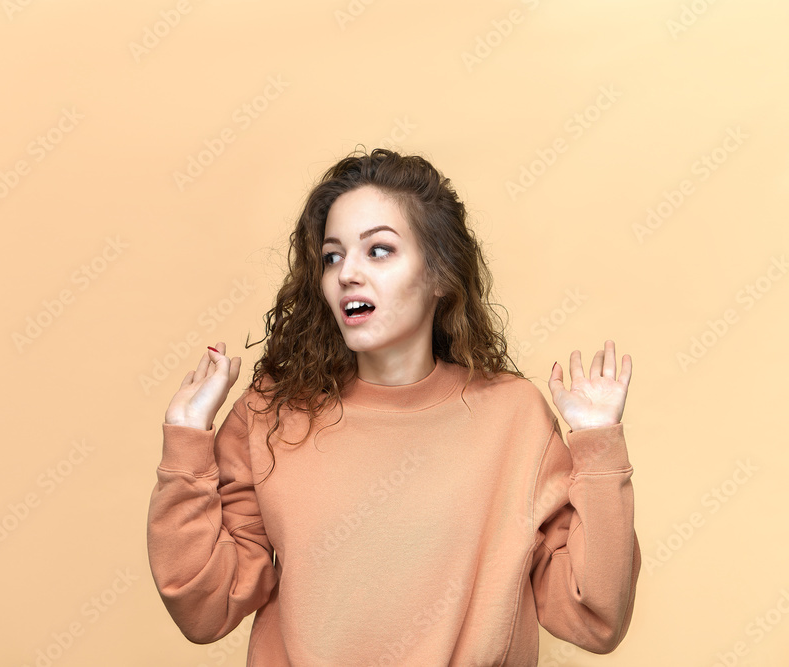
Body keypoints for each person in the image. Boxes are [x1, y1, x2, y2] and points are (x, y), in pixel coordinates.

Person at [147, 147, 640, 666]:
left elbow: (593, 616)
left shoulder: (514, 415)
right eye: (332, 256)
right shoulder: (271, 413)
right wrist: (185, 440)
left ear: (440, 275)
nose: (347, 274)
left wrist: (599, 448)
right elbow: (204, 608)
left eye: (378, 251)